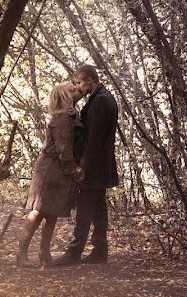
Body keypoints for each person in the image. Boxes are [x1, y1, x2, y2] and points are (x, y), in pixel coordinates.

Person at [52, 65, 119, 266]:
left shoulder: (101, 100)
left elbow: (95, 139)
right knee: (98, 208)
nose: (78, 87)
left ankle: (74, 252)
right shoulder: (100, 97)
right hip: (100, 164)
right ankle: (100, 251)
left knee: (85, 207)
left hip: (95, 165)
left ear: (90, 80)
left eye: (79, 83)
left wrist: (83, 165)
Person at [16, 81, 84, 268]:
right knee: (38, 211)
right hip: (51, 169)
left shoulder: (68, 115)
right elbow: (63, 149)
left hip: (57, 168)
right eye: (73, 89)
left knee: (52, 212)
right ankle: (21, 254)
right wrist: (73, 170)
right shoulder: (62, 118)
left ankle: (44, 254)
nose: (78, 90)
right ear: (65, 97)